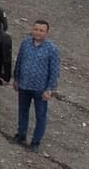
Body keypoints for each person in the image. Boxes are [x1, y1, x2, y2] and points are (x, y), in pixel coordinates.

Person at [12, 20, 60, 152]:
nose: (38, 33)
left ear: (47, 32)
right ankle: (21, 134)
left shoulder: (52, 49)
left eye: (41, 30)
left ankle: (35, 142)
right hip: (24, 85)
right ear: (32, 30)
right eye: (36, 29)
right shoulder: (25, 43)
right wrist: (16, 78)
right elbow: (19, 60)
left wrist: (49, 89)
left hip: (40, 89)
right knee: (22, 111)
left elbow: (54, 71)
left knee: (40, 116)